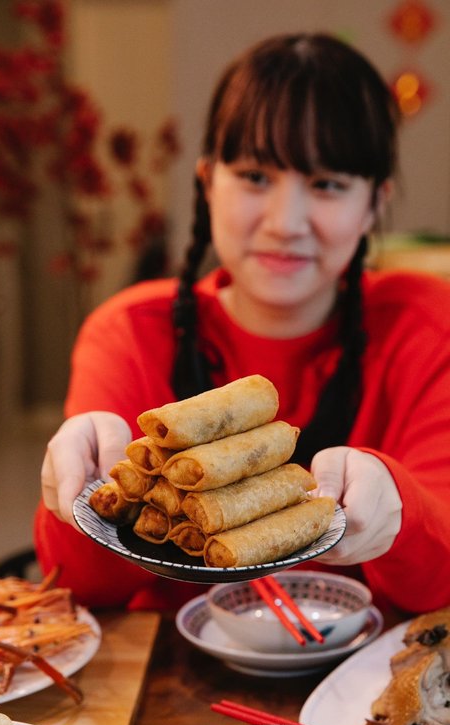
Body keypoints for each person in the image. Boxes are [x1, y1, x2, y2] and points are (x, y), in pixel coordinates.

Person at [37, 33, 450, 614]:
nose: (286, 222)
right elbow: (77, 588)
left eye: (327, 184)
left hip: (365, 683)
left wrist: (402, 513)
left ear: (375, 204)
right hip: (170, 682)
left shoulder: (429, 327)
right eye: (256, 175)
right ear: (208, 183)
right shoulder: (129, 333)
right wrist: (78, 496)